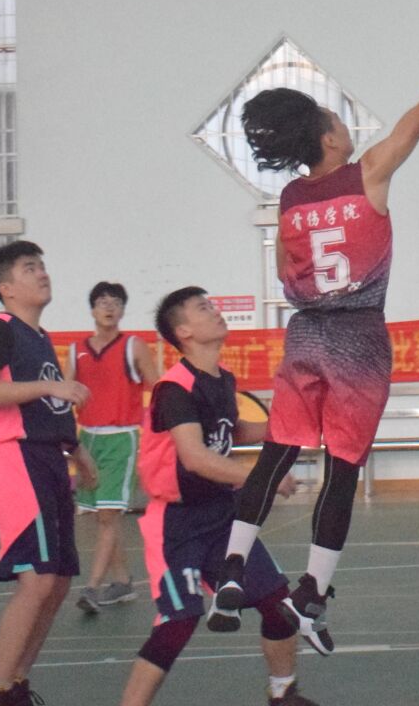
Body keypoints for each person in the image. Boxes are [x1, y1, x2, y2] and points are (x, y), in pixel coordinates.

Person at [212, 4, 419, 651]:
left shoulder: (290, 199)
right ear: (329, 140)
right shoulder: (368, 172)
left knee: (278, 450)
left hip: (305, 334)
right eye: (337, 119)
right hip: (359, 338)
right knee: (342, 467)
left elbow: (286, 274)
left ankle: (232, 566)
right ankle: (312, 591)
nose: (346, 125)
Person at [117, 286, 317, 706]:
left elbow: (230, 432)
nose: (215, 311)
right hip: (177, 524)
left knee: (279, 604)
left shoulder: (222, 380)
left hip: (221, 515)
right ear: (184, 331)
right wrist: (261, 479)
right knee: (178, 622)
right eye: (203, 308)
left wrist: (290, 427)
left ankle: (283, 694)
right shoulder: (174, 388)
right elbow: (194, 457)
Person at [0, 240, 99, 706]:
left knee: (57, 582)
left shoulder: (39, 338)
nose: (42, 273)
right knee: (37, 580)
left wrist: (77, 450)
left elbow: (48, 410)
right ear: (6, 287)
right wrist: (49, 385)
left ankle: (17, 683)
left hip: (48, 460)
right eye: (29, 268)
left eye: (42, 265)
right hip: (15, 460)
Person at [70, 280, 160, 614]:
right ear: (92, 309)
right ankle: (122, 582)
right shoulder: (76, 350)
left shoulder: (133, 346)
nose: (109, 307)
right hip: (88, 439)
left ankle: (92, 588)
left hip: (121, 437)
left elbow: (159, 389)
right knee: (103, 516)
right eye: (102, 302)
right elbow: (65, 394)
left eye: (116, 302)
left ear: (123, 310)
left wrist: (160, 432)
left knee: (109, 515)